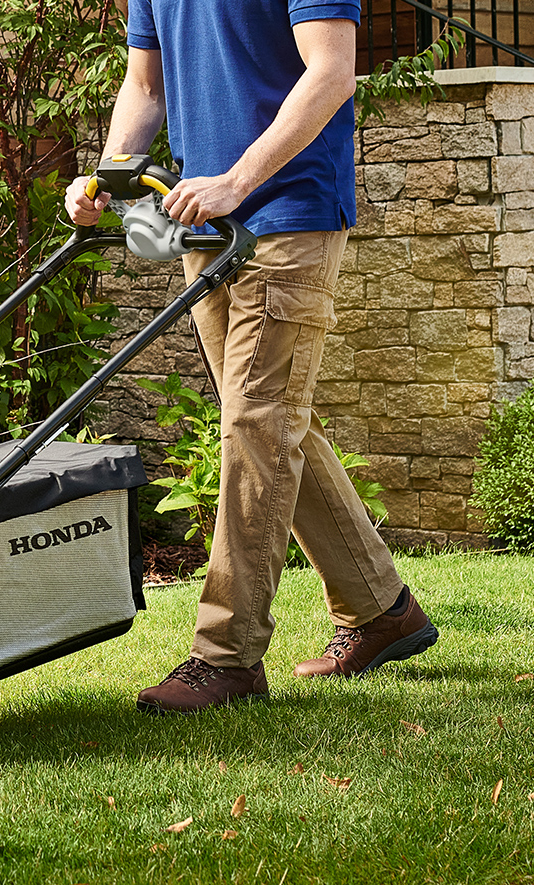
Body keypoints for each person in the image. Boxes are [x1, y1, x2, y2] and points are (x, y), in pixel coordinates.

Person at [65, 0, 439, 713]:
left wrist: (238, 178)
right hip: (202, 217)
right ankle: (381, 607)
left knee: (258, 424)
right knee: (268, 419)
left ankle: (227, 656)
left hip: (289, 208)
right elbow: (145, 87)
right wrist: (107, 177)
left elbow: (332, 73)